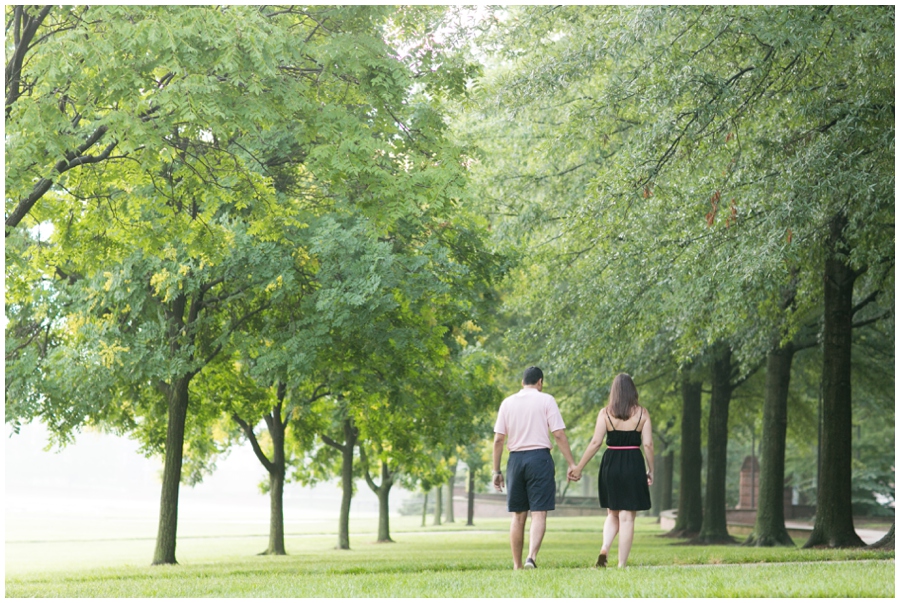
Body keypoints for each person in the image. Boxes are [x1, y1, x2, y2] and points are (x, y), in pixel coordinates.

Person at [492, 366, 578, 570]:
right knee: (539, 513)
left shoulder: (507, 403)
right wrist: (571, 463)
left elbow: (498, 440)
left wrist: (496, 471)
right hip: (539, 458)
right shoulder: (546, 400)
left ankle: (516, 565)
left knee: (518, 515)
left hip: (515, 461)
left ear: (522, 382)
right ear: (540, 382)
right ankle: (531, 557)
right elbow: (558, 434)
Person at [568, 373, 654, 568]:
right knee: (627, 518)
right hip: (633, 462)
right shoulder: (642, 413)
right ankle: (621, 564)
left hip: (611, 463)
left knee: (612, 514)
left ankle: (605, 547)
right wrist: (651, 469)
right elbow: (648, 445)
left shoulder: (605, 413)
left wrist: (578, 467)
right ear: (633, 390)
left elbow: (596, 442)